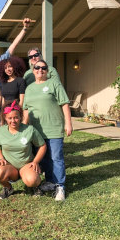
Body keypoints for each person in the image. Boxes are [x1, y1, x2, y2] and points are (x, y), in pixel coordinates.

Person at [23, 60, 73, 201]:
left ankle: (59, 186)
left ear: (47, 70)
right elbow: (26, 110)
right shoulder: (30, 88)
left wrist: (68, 123)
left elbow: (64, 104)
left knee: (56, 158)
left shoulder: (54, 83)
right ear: (33, 71)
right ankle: (49, 182)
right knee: (43, 159)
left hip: (54, 128)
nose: (40, 70)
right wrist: (23, 128)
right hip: (36, 131)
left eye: (43, 68)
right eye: (37, 67)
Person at [0, 101, 47, 200]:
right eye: (10, 118)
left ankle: (36, 186)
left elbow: (42, 145)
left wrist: (35, 161)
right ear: (5, 118)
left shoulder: (29, 130)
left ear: (21, 117)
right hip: (10, 167)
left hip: (26, 165)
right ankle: (8, 188)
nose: (13, 121)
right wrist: (0, 158)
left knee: (32, 180)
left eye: (16, 117)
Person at [0, 56, 26, 125]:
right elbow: (3, 100)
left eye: (10, 66)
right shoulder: (3, 82)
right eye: (5, 68)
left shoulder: (20, 81)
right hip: (6, 113)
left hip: (16, 113)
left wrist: (19, 113)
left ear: (14, 67)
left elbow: (22, 101)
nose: (8, 69)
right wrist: (2, 116)